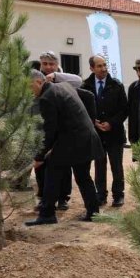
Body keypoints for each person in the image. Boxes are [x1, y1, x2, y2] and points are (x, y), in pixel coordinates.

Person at [25, 70, 101, 226]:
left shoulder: (47, 98)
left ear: (39, 82)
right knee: (82, 176)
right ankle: (93, 212)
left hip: (74, 140)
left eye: (29, 86)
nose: (28, 91)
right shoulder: (63, 86)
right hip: (85, 137)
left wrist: (39, 157)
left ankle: (47, 214)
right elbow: (87, 97)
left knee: (52, 171)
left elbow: (50, 131)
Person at [38, 50, 83, 210]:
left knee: (64, 165)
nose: (48, 67)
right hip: (44, 128)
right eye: (45, 64)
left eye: (51, 64)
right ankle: (43, 197)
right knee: (42, 165)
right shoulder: (37, 78)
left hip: (63, 130)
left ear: (57, 65)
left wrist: (55, 77)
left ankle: (63, 198)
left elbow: (79, 81)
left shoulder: (64, 78)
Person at [83, 55, 128, 207]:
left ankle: (118, 195)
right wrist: (93, 121)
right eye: (99, 66)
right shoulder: (85, 86)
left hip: (114, 134)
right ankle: (101, 195)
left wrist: (111, 123)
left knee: (117, 167)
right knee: (99, 166)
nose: (103, 69)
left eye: (104, 65)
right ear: (91, 68)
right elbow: (82, 109)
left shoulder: (116, 85)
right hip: (96, 135)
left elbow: (124, 110)